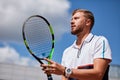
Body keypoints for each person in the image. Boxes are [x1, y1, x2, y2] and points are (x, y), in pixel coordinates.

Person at [41, 9, 112, 80]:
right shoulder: (67, 52)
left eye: (76, 18)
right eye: (71, 19)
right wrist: (64, 71)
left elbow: (98, 74)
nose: (71, 22)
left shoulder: (99, 41)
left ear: (88, 22)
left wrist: (64, 70)